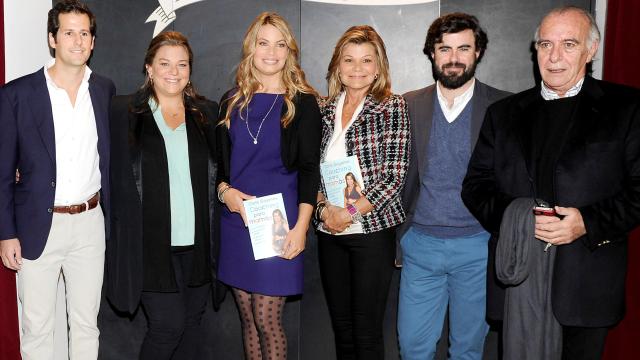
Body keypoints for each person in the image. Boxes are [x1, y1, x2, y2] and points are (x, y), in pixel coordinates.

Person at [462, 6, 640, 360]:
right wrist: (518, 221)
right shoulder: (503, 113)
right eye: (545, 44)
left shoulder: (628, 108)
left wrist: (587, 222)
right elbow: (475, 186)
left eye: (569, 44)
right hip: (517, 280)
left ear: (592, 50)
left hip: (586, 287)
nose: (554, 56)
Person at [0, 1, 115, 358]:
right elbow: (3, 172)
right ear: (52, 39)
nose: (78, 41)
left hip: (90, 224)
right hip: (36, 224)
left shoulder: (104, 90)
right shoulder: (16, 95)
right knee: (37, 327)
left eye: (85, 33)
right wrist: (6, 233)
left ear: (93, 42)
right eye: (69, 32)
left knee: (85, 325)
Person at [395, 13, 510, 360]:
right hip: (421, 245)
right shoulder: (409, 103)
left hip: (477, 246)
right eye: (445, 49)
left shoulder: (504, 107)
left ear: (478, 52)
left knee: (468, 351)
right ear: (432, 53)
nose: (454, 57)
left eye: (464, 48)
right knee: (413, 348)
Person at [107, 31, 223, 359]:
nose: (173, 71)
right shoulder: (123, 112)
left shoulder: (207, 113)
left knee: (191, 326)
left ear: (190, 70)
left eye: (182, 64)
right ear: (149, 68)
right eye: (165, 63)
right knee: (168, 325)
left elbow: (222, 173)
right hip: (150, 248)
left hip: (199, 245)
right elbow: (93, 154)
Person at [216, 12, 321, 360]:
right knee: (248, 319)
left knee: (267, 319)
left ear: (289, 51)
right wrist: (226, 194)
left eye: (280, 44)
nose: (271, 52)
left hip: (280, 225)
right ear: (251, 48)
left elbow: (309, 171)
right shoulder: (230, 101)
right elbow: (221, 171)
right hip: (238, 223)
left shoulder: (303, 102)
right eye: (264, 43)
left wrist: (301, 228)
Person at [314, 25, 410, 360]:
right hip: (330, 233)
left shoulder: (391, 107)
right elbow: (311, 172)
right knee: (341, 328)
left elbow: (394, 177)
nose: (357, 68)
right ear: (337, 66)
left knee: (366, 331)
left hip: (370, 232)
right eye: (349, 60)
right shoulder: (323, 109)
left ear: (379, 66)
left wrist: (348, 213)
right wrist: (325, 211)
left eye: (366, 60)